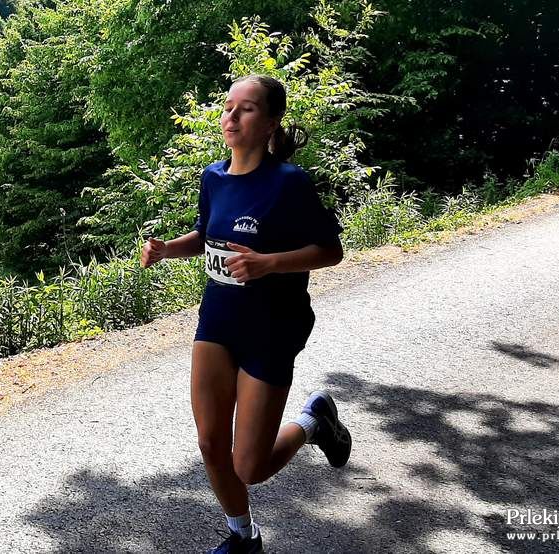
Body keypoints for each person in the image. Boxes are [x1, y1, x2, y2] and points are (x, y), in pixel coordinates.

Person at [140, 74, 351, 554]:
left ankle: (315, 422)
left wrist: (268, 263)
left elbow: (330, 251)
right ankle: (243, 537)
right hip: (217, 319)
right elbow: (206, 236)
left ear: (271, 122)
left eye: (246, 108)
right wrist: (168, 249)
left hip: (273, 326)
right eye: (228, 106)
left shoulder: (289, 183)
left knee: (250, 466)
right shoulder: (213, 178)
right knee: (211, 443)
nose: (231, 116)